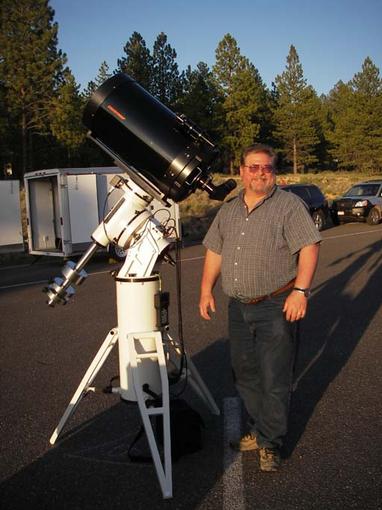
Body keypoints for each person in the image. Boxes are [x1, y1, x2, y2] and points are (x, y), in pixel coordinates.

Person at [199, 143, 321, 472]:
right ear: (241, 171)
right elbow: (215, 251)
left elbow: (309, 247)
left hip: (276, 304)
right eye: (253, 167)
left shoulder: (289, 206)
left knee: (275, 375)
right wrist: (205, 290)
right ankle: (262, 427)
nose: (259, 173)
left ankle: (270, 442)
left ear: (274, 172)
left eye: (265, 167)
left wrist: (300, 291)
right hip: (238, 307)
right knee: (244, 373)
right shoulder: (229, 210)